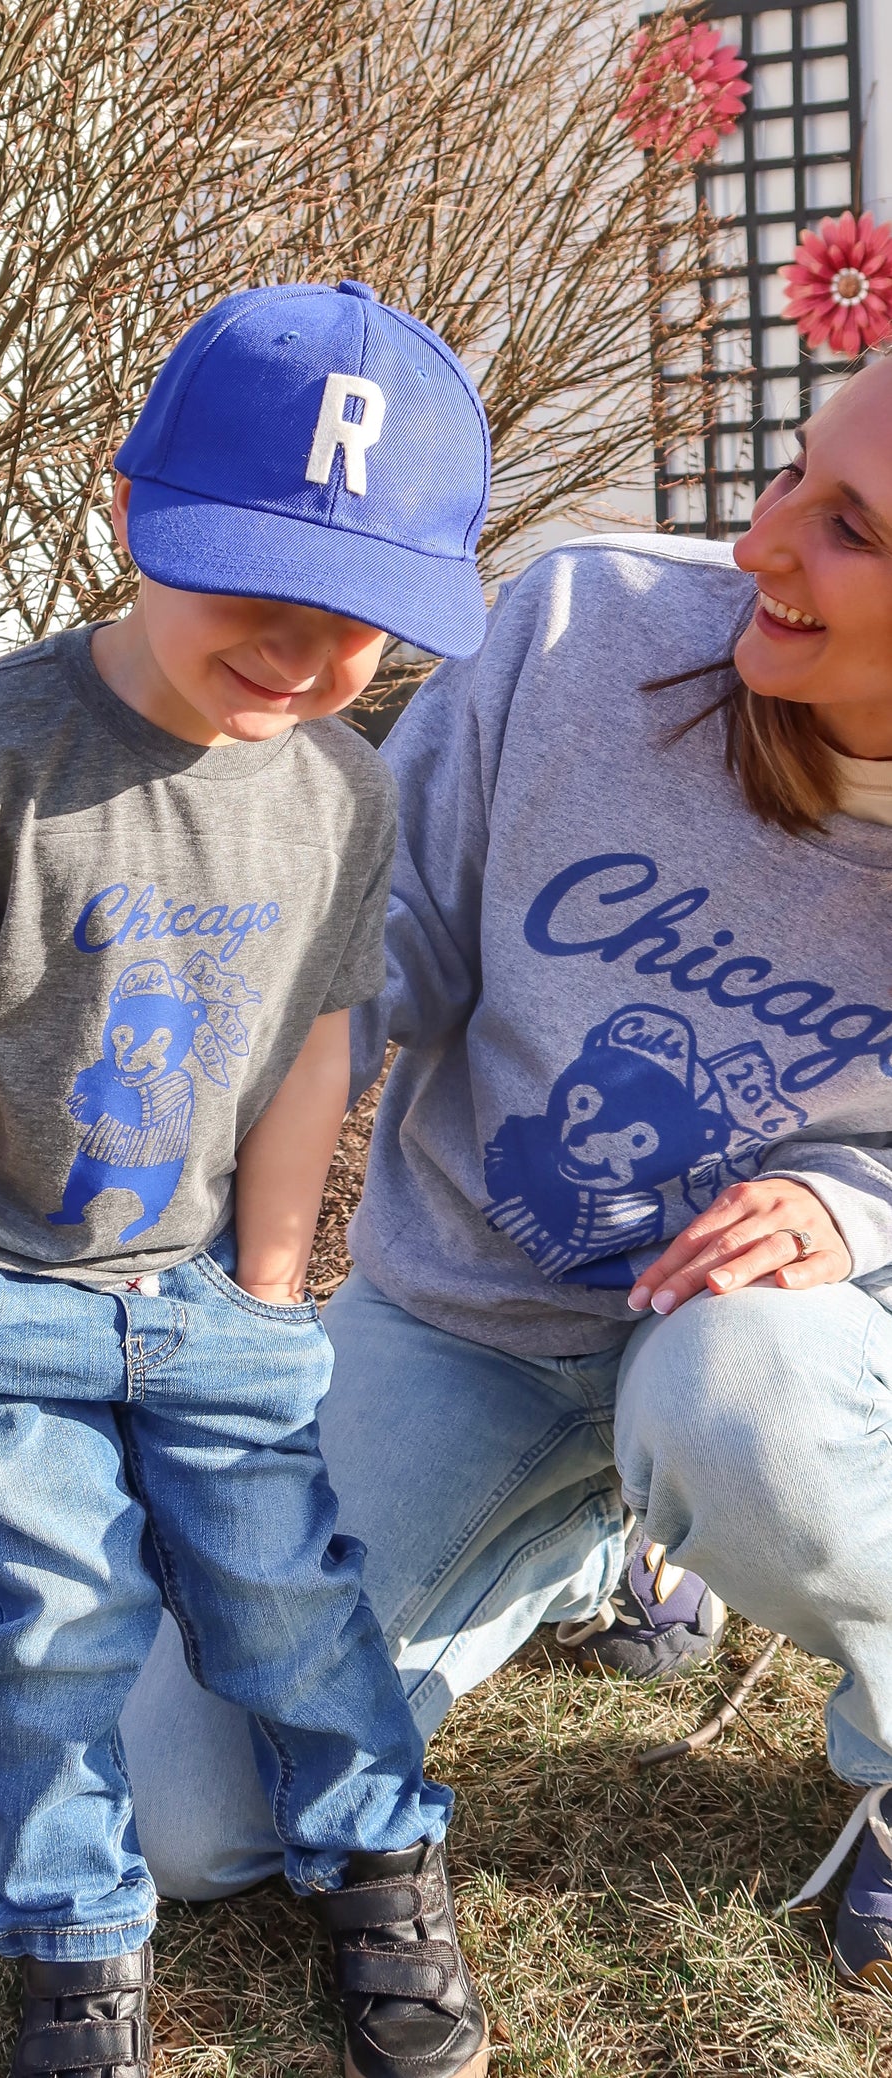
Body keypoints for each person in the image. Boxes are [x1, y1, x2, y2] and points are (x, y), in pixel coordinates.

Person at [119, 350, 892, 1993]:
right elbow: (382, 928)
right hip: (478, 1313)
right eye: (786, 475)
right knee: (174, 1818)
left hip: (800, 1355)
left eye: (850, 528)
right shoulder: (581, 630)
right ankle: (602, 1542)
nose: (758, 544)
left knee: (728, 1396)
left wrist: (852, 1205)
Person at [0, 282, 498, 2078]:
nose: (297, 650)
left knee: (289, 1591)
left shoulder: (345, 799)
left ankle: (375, 1862)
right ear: (130, 516)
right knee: (50, 1623)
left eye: (354, 619)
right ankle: (73, 1937)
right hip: (7, 1291)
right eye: (251, 587)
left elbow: (310, 1047)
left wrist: (274, 1287)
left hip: (207, 1297)